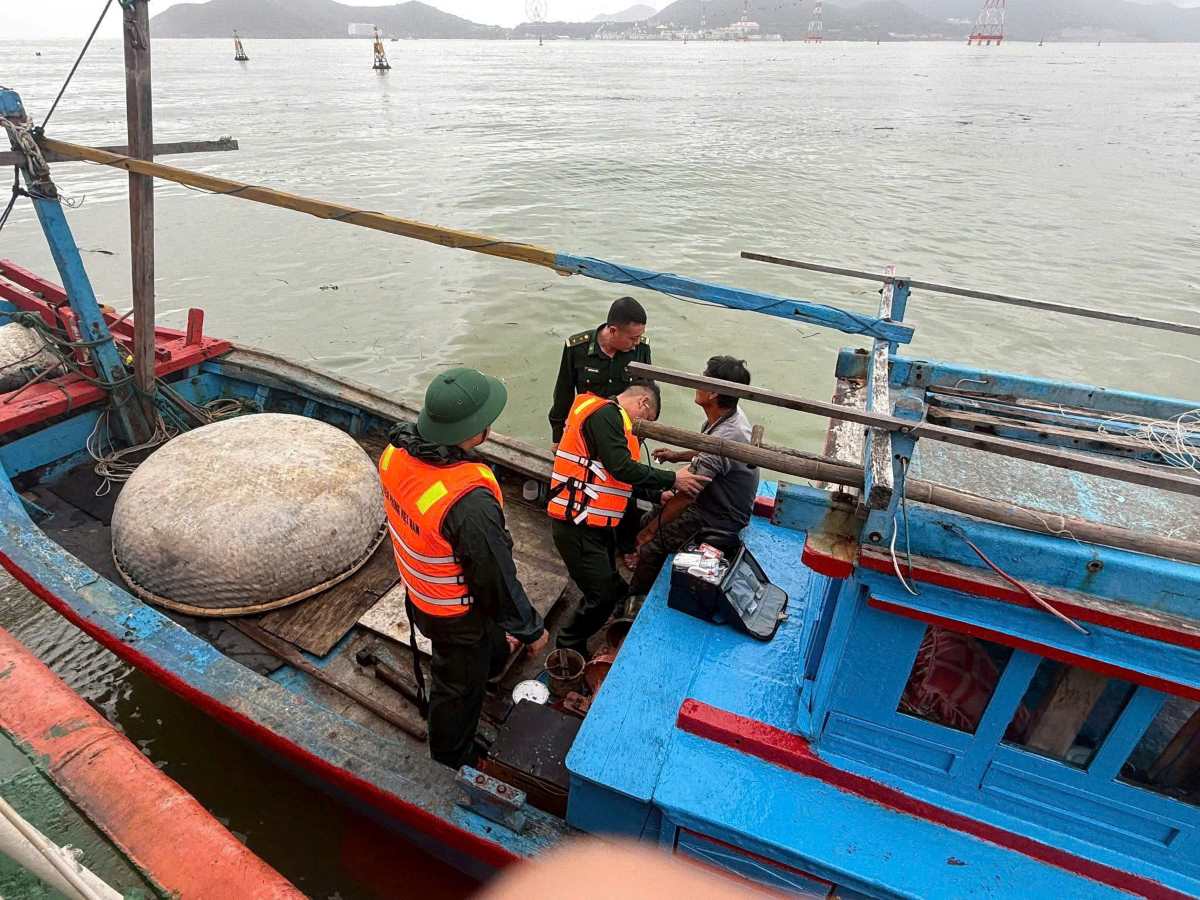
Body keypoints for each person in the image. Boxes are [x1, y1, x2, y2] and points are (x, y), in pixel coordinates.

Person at [379, 367, 548, 769]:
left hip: (419, 592)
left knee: (483, 644)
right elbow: (493, 576)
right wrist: (530, 628)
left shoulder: (394, 453)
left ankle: (492, 658)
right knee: (457, 687)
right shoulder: (467, 500)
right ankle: (452, 753)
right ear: (478, 431)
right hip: (453, 614)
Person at [548, 381, 710, 656]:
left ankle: (607, 622)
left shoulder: (606, 417)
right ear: (643, 403)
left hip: (595, 523)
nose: (639, 429)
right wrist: (673, 478)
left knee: (615, 587)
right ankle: (568, 644)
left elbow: (606, 474)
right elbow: (621, 467)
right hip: (576, 525)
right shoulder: (606, 415)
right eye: (644, 422)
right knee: (602, 596)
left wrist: (657, 494)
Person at [629, 356, 760, 597]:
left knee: (651, 544)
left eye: (703, 377)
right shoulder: (728, 416)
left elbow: (688, 495)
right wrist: (676, 456)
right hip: (711, 499)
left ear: (712, 393)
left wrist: (648, 534)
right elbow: (707, 454)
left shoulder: (724, 438)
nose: (698, 381)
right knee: (648, 517)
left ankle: (633, 600)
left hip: (719, 516)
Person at [549, 296, 651, 446]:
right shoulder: (577, 348)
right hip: (585, 430)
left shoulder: (641, 350)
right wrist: (557, 437)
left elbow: (647, 395)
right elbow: (563, 393)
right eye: (633, 338)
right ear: (613, 331)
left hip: (621, 434)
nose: (636, 343)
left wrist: (638, 438)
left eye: (639, 337)